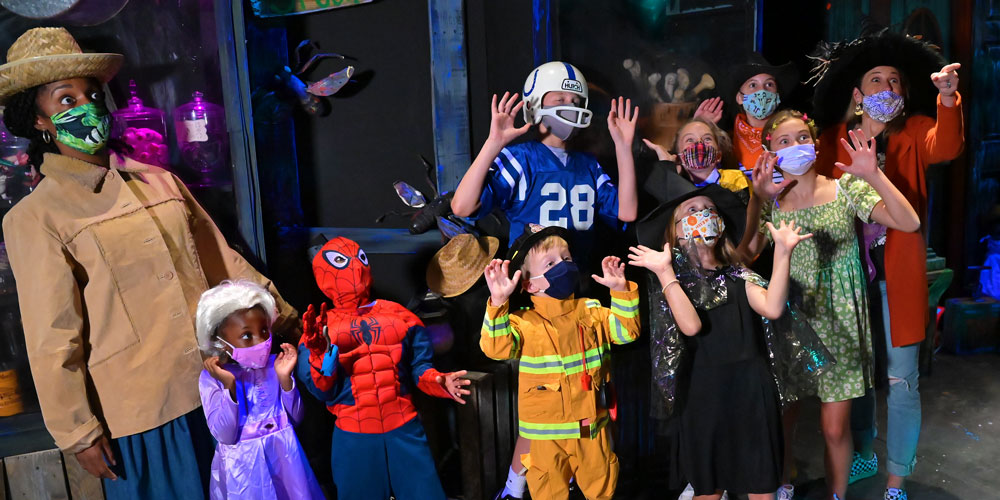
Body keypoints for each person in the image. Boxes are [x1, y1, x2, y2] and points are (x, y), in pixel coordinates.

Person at [0, 27, 298, 499]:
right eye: (64, 98)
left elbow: (221, 261)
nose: (86, 105)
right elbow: (52, 335)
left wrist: (281, 317)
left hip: (219, 387)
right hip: (144, 414)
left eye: (92, 93)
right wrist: (78, 430)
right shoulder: (36, 217)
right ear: (37, 119)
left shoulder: (159, 181)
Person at [450, 61, 639, 499]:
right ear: (536, 106)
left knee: (581, 399)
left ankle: (542, 486)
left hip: (579, 297)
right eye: (561, 99)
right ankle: (517, 488)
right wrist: (494, 143)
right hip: (534, 299)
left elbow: (626, 212)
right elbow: (463, 205)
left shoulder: (590, 166)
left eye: (576, 100)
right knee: (544, 406)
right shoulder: (521, 158)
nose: (571, 106)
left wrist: (623, 146)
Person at [809, 29, 964, 500]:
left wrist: (948, 98)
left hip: (897, 275)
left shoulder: (915, 131)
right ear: (858, 95)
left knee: (901, 378)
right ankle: (863, 454)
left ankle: (896, 478)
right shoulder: (833, 140)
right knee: (854, 376)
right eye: (877, 80)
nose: (888, 88)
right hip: (844, 278)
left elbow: (947, 146)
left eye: (895, 82)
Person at [739, 109, 920, 500]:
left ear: (815, 142)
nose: (795, 146)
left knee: (835, 429)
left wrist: (873, 174)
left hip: (840, 322)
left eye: (801, 137)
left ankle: (837, 496)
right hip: (791, 318)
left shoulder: (845, 188)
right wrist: (757, 200)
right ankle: (783, 483)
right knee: (784, 419)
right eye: (783, 141)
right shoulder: (774, 200)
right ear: (770, 150)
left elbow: (908, 222)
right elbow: (745, 255)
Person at [628, 176, 811, 500]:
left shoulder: (739, 276)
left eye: (709, 209)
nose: (704, 213)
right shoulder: (673, 284)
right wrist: (665, 272)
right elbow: (690, 326)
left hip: (752, 395)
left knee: (762, 489)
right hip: (703, 397)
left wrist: (783, 254)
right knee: (708, 490)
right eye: (693, 210)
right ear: (676, 232)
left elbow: (772, 306)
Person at [296, 236, 471, 500]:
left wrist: (438, 381)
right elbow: (321, 390)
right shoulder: (320, 328)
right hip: (355, 434)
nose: (354, 267)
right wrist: (321, 356)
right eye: (342, 262)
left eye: (359, 257)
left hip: (404, 426)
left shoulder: (400, 317)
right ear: (323, 272)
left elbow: (420, 367)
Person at [480, 224, 641, 500]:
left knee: (603, 488)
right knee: (549, 492)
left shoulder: (591, 310)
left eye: (566, 259)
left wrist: (621, 291)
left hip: (592, 430)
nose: (563, 266)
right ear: (530, 284)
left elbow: (627, 333)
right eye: (551, 263)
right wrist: (497, 303)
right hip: (546, 439)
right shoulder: (523, 322)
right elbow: (496, 349)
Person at [196, 281, 324, 499]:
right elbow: (225, 435)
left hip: (285, 457)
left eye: (264, 331)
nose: (261, 341)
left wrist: (285, 379)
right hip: (243, 468)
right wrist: (229, 387)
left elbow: (295, 418)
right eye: (247, 336)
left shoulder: (277, 364)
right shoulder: (212, 377)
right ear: (221, 341)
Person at [693, 53, 799, 177]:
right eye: (753, 85)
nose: (762, 91)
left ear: (777, 96)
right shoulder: (725, 141)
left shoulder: (794, 137)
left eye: (769, 84)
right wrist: (698, 128)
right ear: (739, 98)